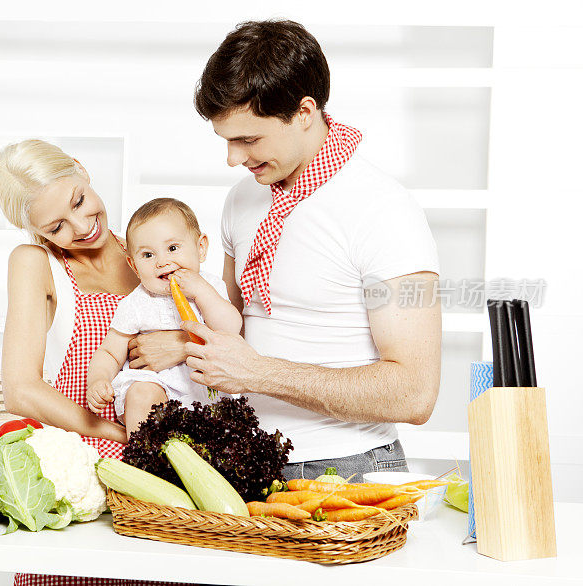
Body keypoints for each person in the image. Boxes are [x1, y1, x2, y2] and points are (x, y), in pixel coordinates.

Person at [176, 19, 442, 481]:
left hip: (346, 469)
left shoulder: (382, 208)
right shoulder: (242, 199)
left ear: (304, 111)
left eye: (249, 139)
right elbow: (231, 325)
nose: (233, 159)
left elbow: (415, 393)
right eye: (227, 140)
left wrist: (260, 374)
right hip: (244, 460)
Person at [0, 140, 193, 586]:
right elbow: (20, 389)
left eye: (80, 201)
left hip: (165, 473)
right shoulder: (36, 263)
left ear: (82, 170)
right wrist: (111, 433)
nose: (82, 227)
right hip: (83, 474)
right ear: (36, 230)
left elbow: (222, 337)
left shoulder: (151, 250)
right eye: (58, 226)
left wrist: (181, 344)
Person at [86, 198, 242, 436]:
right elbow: (109, 351)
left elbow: (231, 328)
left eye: (172, 248)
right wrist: (97, 380)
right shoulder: (136, 302)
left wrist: (201, 292)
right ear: (134, 266)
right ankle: (144, 462)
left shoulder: (210, 286)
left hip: (206, 394)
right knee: (141, 393)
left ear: (201, 248)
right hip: (157, 387)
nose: (162, 262)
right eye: (148, 255)